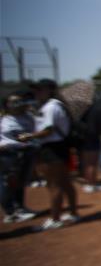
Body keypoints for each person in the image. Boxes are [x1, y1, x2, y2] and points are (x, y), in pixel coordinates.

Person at [18, 79, 78, 230]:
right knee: (64, 182)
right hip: (58, 147)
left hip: (52, 148)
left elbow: (48, 130)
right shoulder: (54, 105)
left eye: (40, 89)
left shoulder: (50, 107)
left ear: (50, 90)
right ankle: (73, 213)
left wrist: (29, 136)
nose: (36, 92)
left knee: (54, 185)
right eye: (36, 89)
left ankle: (55, 218)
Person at [1, 93, 38, 223]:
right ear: (7, 105)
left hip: (26, 151)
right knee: (9, 183)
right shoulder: (5, 120)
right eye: (14, 102)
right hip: (9, 153)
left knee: (21, 182)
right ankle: (10, 212)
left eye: (20, 101)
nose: (18, 104)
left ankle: (21, 208)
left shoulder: (28, 116)